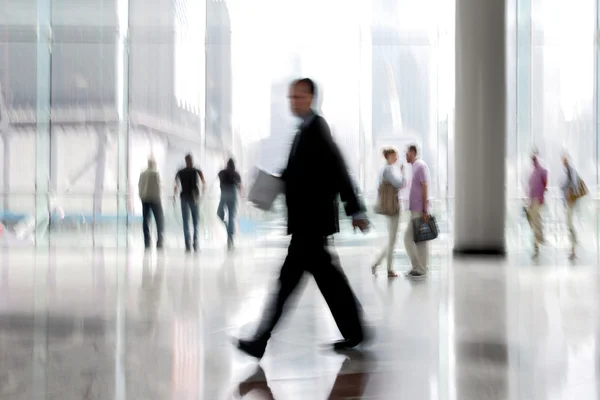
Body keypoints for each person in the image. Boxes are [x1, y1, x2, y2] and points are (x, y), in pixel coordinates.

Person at [235, 78, 370, 359]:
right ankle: (355, 331)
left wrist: (355, 209)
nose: (293, 102)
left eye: (298, 97)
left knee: (288, 285)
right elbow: (300, 174)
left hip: (311, 223)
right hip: (308, 223)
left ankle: (261, 340)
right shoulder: (303, 132)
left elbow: (338, 169)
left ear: (311, 98)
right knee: (329, 281)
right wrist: (272, 184)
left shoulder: (317, 129)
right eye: (290, 97)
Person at [371, 147, 405, 278]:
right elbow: (399, 184)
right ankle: (388, 269)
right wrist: (402, 173)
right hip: (393, 209)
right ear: (389, 156)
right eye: (394, 156)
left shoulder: (383, 170)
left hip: (388, 208)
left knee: (392, 239)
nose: (396, 158)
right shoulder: (388, 169)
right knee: (392, 240)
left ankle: (378, 264)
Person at [403, 145, 431, 280]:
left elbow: (425, 186)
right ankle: (417, 267)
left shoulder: (420, 165)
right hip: (415, 209)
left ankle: (422, 268)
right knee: (409, 239)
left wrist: (425, 209)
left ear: (413, 152)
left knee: (420, 240)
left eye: (407, 153)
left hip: (420, 209)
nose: (405, 155)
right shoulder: (414, 166)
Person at [174, 154, 206, 252]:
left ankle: (188, 244)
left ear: (186, 160)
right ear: (191, 160)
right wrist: (202, 194)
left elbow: (176, 185)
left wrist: (174, 196)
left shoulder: (180, 172)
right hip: (194, 197)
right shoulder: (197, 171)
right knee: (195, 220)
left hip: (184, 197)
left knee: (186, 221)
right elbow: (204, 182)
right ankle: (195, 242)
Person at [138, 158, 164, 249]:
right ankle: (160, 241)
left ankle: (147, 241)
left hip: (145, 198)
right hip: (155, 199)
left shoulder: (142, 173)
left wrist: (141, 196)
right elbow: (158, 186)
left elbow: (139, 185)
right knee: (159, 220)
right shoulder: (155, 173)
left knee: (146, 220)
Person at [218, 158, 242, 249]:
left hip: (224, 194)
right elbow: (240, 187)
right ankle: (230, 236)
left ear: (227, 164)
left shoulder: (222, 172)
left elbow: (219, 179)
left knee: (220, 213)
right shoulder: (236, 174)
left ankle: (227, 227)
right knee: (231, 216)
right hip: (233, 193)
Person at [527, 152, 548, 258]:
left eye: (534, 159)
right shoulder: (533, 172)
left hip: (536, 200)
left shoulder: (540, 171)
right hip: (532, 200)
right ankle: (538, 241)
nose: (533, 161)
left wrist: (541, 197)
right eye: (532, 159)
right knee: (535, 222)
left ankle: (537, 243)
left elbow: (545, 183)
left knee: (536, 222)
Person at [560, 154, 580, 259]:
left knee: (569, 224)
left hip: (569, 202)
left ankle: (574, 247)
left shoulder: (569, 170)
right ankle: (574, 246)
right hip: (568, 202)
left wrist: (566, 190)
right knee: (569, 224)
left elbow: (572, 186)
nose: (562, 161)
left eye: (564, 159)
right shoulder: (568, 170)